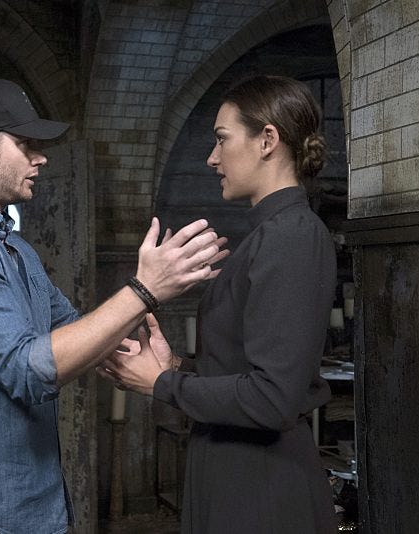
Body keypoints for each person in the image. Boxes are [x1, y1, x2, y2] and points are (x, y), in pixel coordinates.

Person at [0, 78, 229, 534]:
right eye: (25, 144)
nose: (40, 158)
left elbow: (75, 333)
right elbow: (27, 369)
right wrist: (145, 289)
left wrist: (159, 364)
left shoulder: (14, 248)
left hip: (29, 502)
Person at [98, 75, 339, 533]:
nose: (212, 157)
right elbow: (243, 368)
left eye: (222, 139)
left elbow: (272, 399)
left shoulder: (292, 236)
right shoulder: (270, 233)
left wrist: (164, 384)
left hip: (262, 489)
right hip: (237, 475)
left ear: (267, 139)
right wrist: (178, 366)